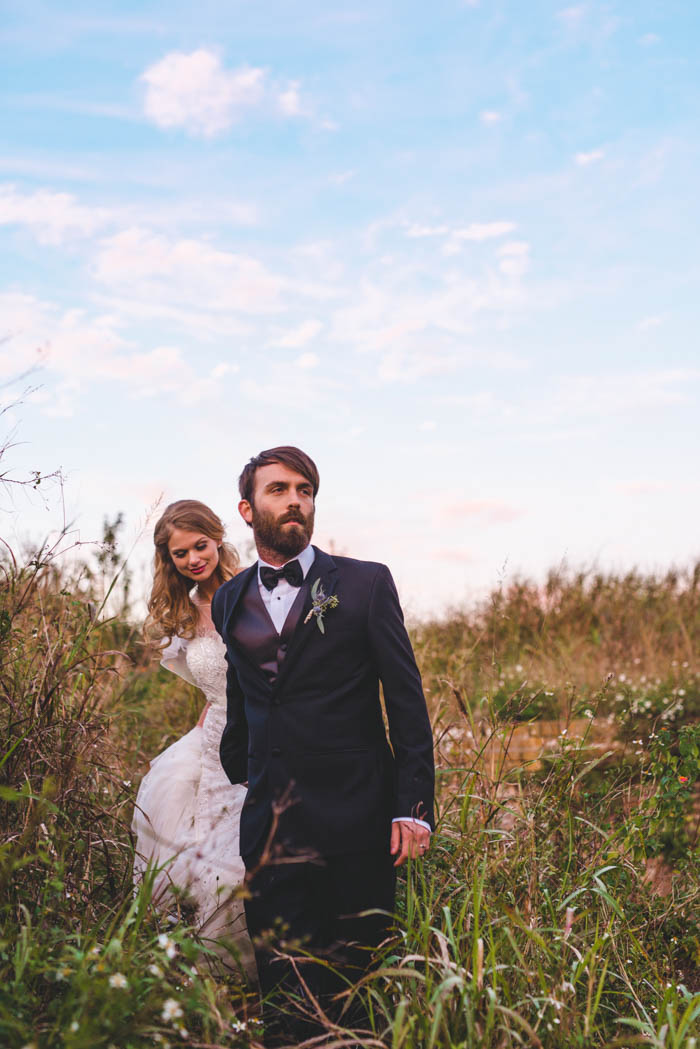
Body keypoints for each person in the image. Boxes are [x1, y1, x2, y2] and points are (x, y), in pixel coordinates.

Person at [211, 447, 435, 1045]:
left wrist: (411, 808)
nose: (295, 501)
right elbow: (244, 697)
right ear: (247, 507)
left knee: (359, 997)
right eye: (279, 489)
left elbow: (406, 701)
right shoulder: (227, 599)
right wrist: (246, 773)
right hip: (270, 831)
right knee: (282, 996)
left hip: (357, 825)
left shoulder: (364, 583)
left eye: (305, 490)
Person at [132, 499, 255, 975]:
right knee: (198, 849)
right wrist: (213, 711)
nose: (192, 560)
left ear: (218, 537)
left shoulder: (254, 590)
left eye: (199, 546)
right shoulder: (187, 611)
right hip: (213, 738)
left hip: (263, 733)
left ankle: (256, 967)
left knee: (242, 852)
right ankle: (209, 973)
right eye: (179, 554)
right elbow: (211, 679)